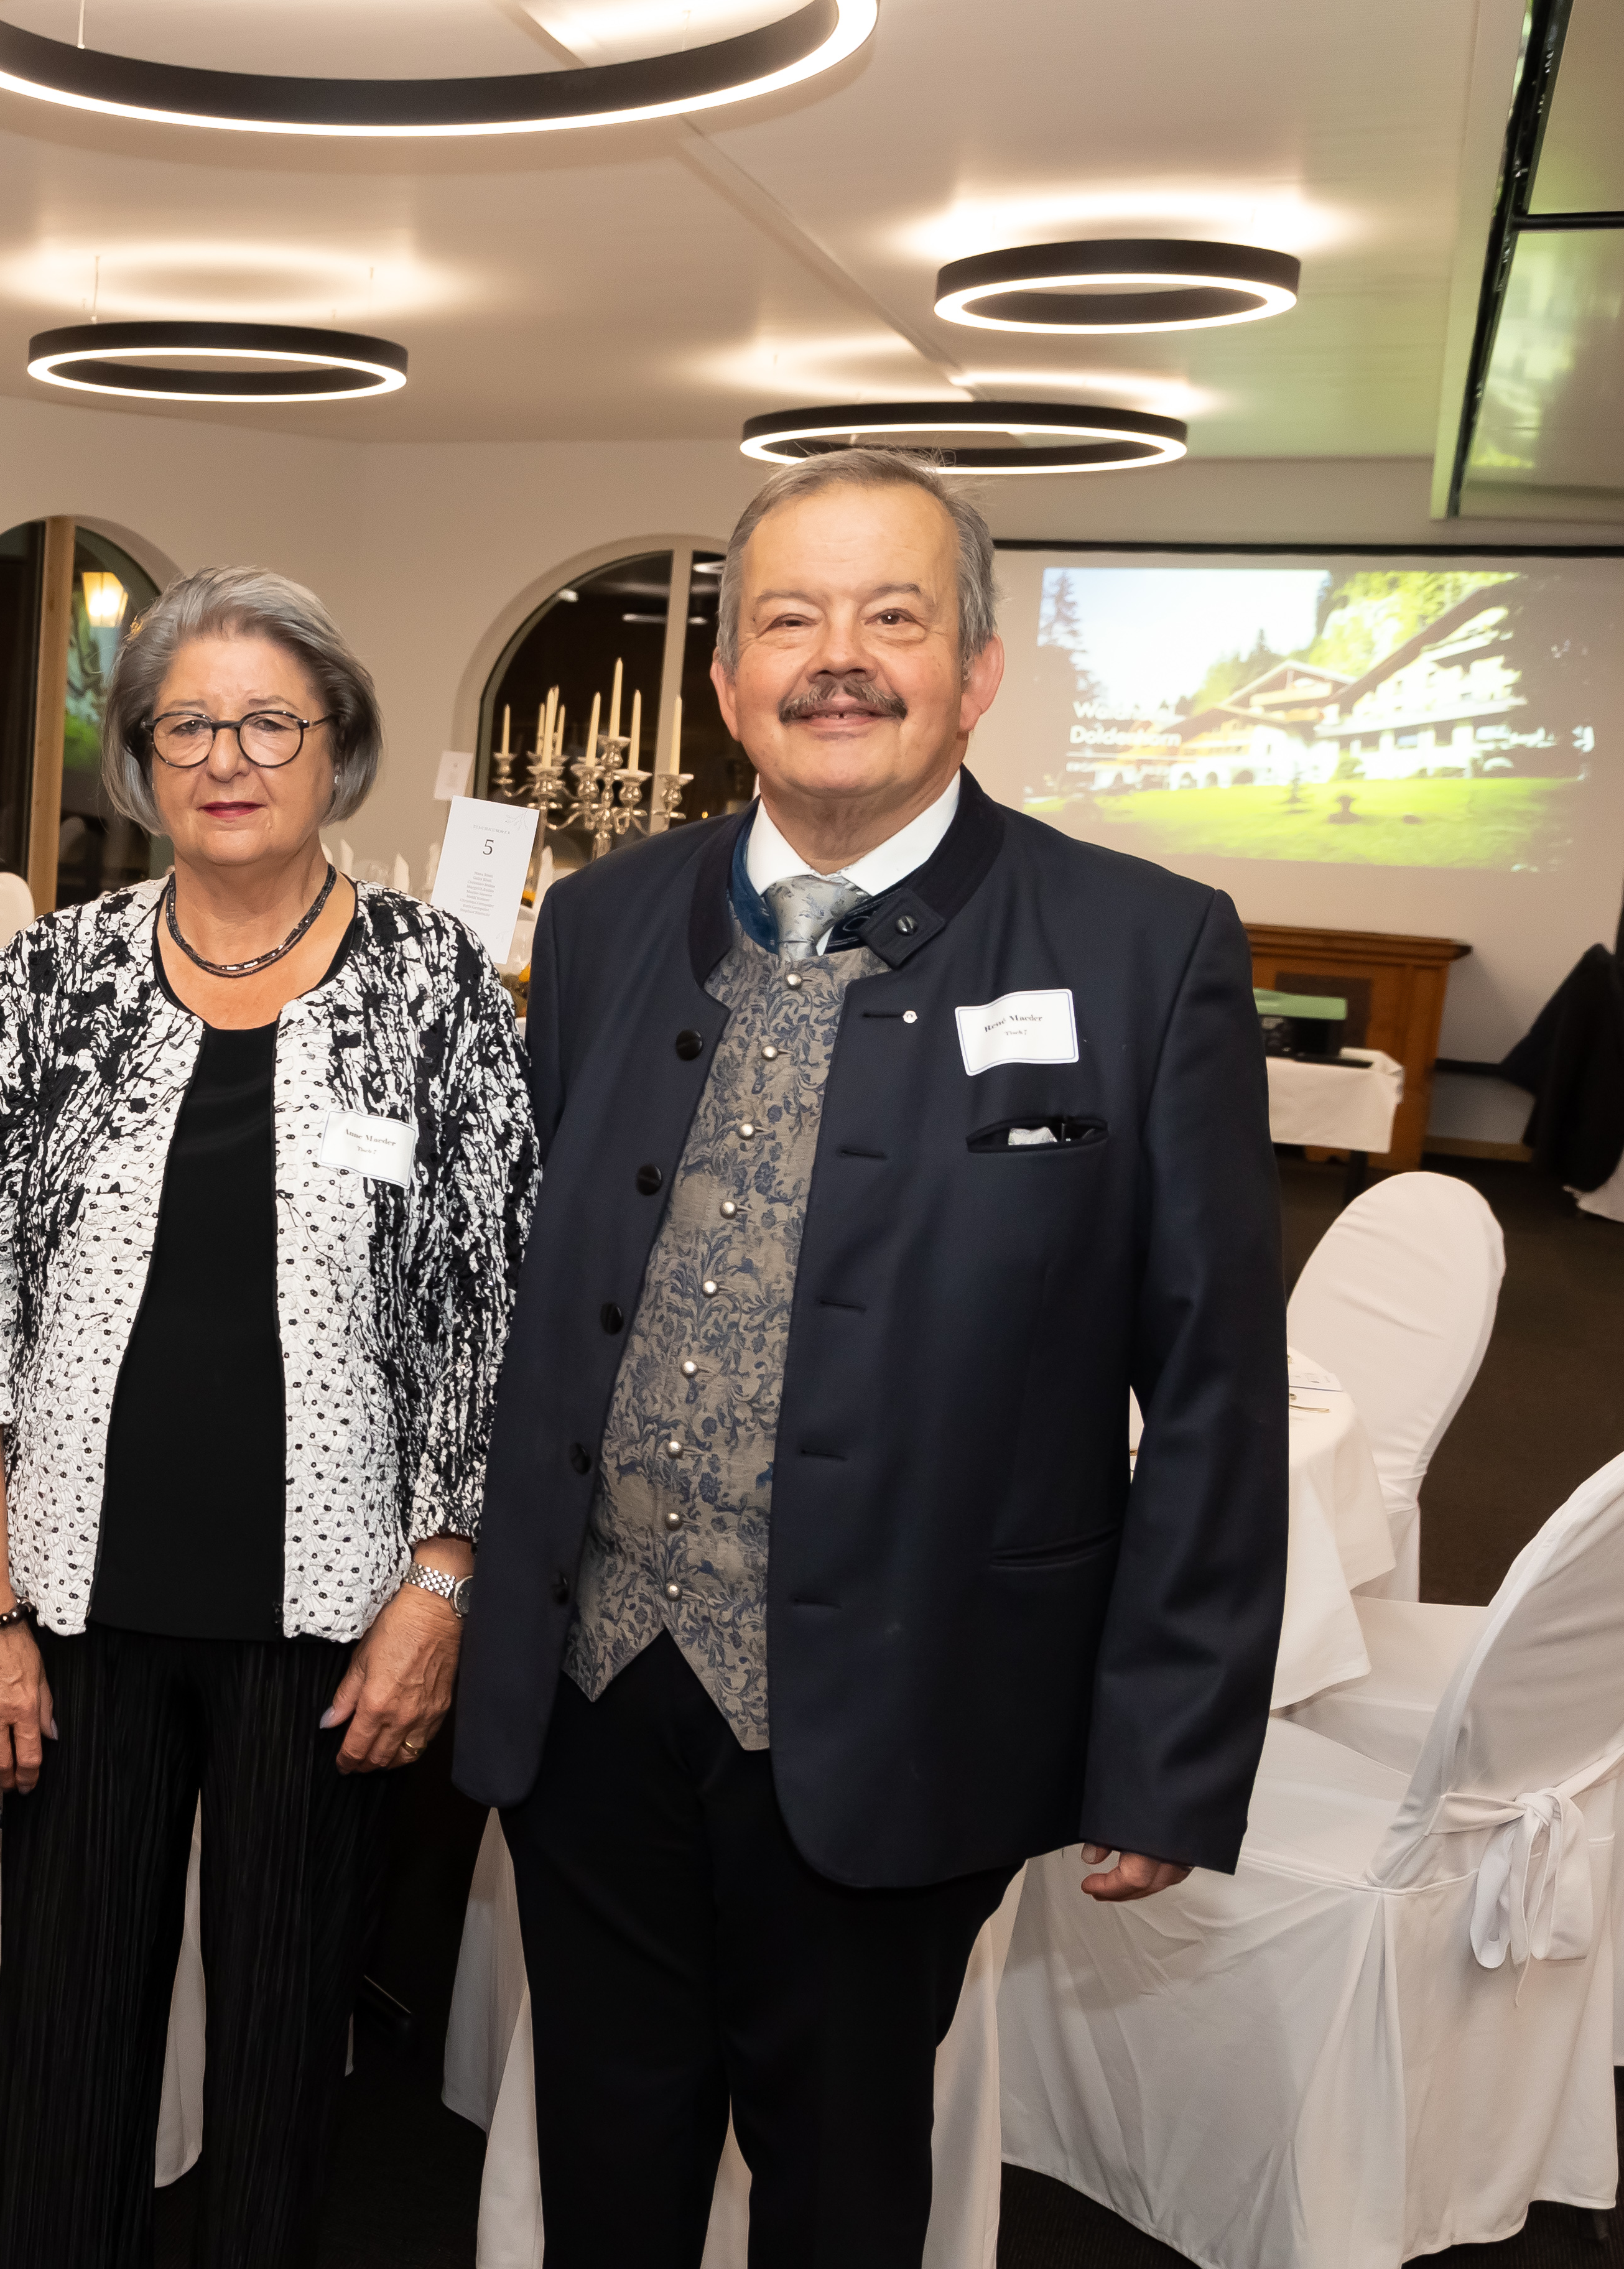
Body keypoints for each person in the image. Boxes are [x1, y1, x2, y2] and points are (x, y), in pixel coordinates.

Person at [455, 447, 1287, 2265]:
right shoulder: (601, 925)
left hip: (912, 1699)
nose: (841, 659)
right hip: (598, 1692)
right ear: (729, 679)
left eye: (892, 617)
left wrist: (1167, 1747)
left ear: (978, 670)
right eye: (791, 621)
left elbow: (1217, 1377)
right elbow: (541, 1288)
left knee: (842, 2189)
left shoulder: (1144, 950)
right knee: (604, 2158)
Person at [0, 565, 541, 2268]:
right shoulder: (62, 976)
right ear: (140, 757)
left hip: (332, 1631)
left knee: (282, 2065)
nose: (229, 755)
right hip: (74, 1610)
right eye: (188, 722)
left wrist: (443, 1589)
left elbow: (493, 1326)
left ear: (337, 749)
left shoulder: (438, 989)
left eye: (273, 720)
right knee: (66, 2058)